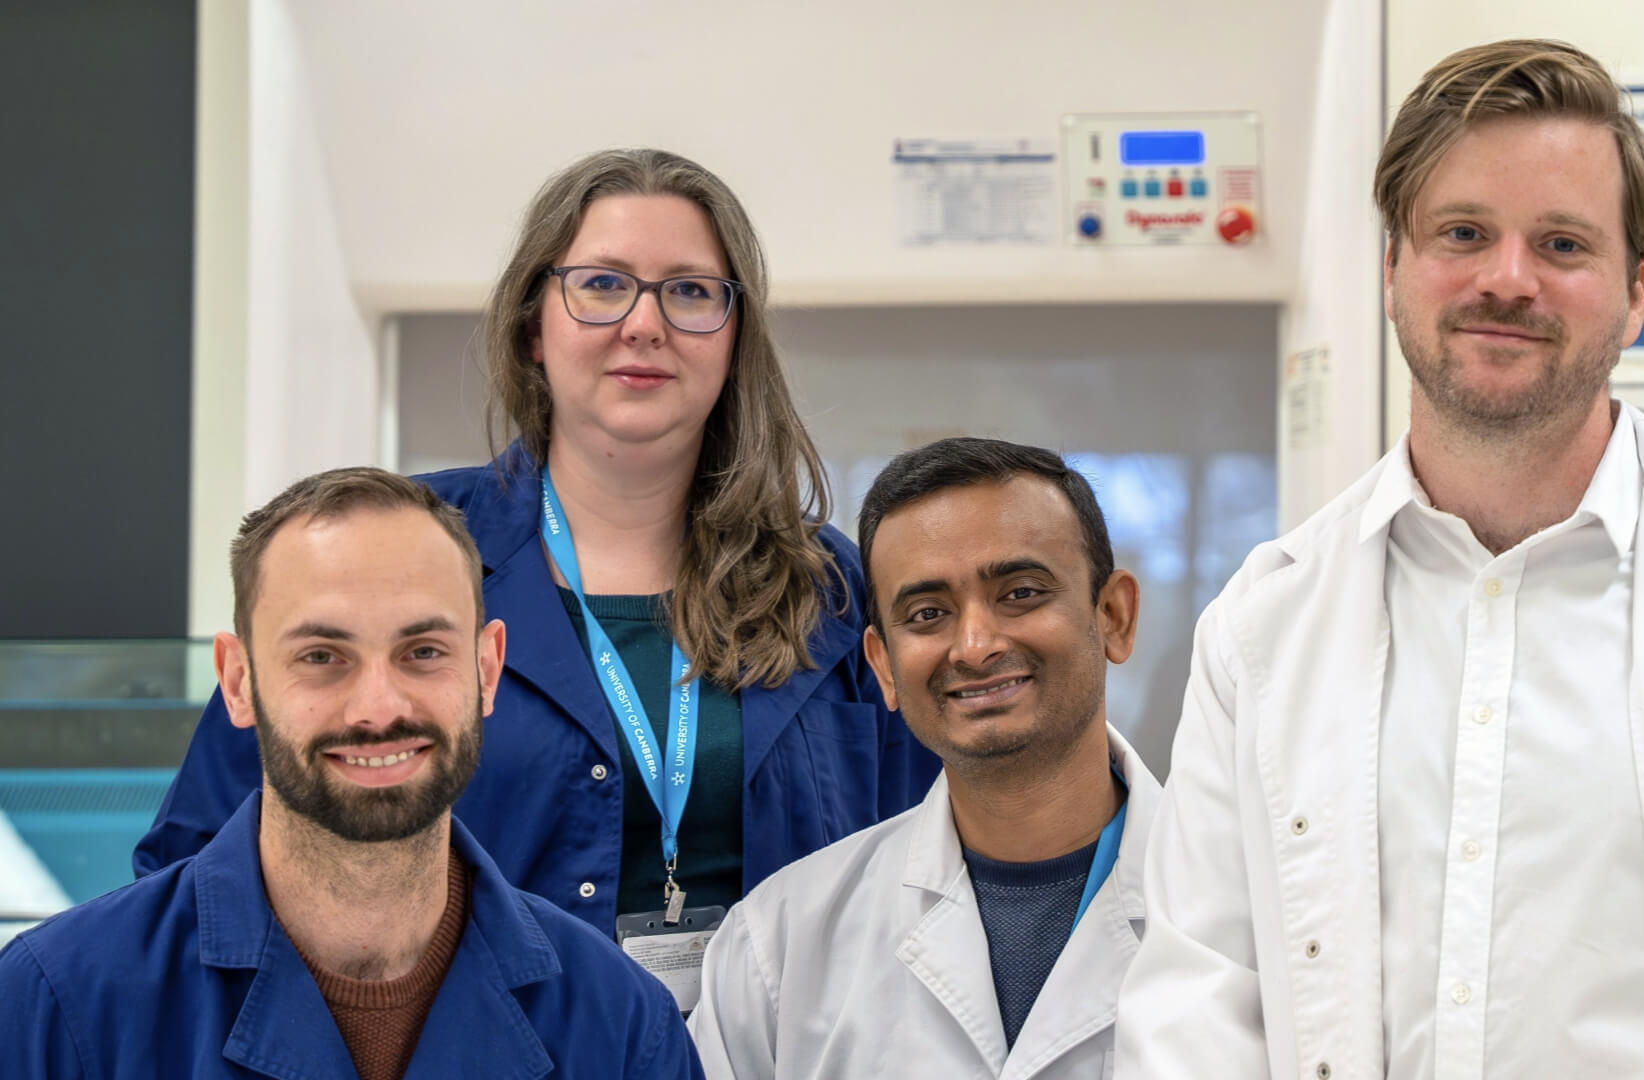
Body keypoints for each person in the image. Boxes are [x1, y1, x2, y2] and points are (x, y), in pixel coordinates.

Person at [1116, 39, 1644, 1080]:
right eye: (1464, 232)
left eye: (1562, 244)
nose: (1508, 278)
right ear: (1394, 269)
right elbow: (1196, 1009)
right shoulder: (1264, 630)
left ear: (1635, 294)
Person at [136, 149, 940, 992]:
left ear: (735, 338)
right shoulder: (402, 553)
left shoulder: (828, 587)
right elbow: (193, 874)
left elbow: (926, 863)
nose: (644, 323)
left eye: (692, 291)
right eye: (601, 284)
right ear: (533, 328)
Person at [0, 468, 701, 1079]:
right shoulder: (52, 1006)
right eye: (321, 657)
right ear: (238, 681)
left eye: (423, 651)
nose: (377, 709)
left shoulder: (622, 1025)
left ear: (486, 670)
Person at [689, 438, 1161, 1079]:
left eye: (1020, 593)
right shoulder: (777, 946)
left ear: (1113, 615)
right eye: (928, 613)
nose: (974, 645)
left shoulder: (1239, 901)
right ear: (882, 665)